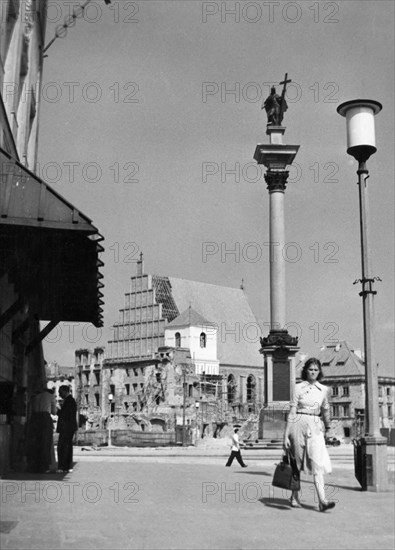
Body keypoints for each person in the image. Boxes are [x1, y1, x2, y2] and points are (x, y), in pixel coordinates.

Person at [283, 358, 335, 511]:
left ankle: (322, 500)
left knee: (317, 463)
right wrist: (286, 435)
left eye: (316, 370)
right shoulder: (297, 387)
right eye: (310, 369)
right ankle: (294, 496)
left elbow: (325, 410)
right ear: (305, 370)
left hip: (316, 426)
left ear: (319, 372)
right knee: (296, 463)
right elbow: (292, 411)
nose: (313, 372)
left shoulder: (324, 390)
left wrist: (328, 427)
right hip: (298, 423)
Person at [26, 387, 56, 473]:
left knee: (35, 443)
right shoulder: (51, 396)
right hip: (45, 419)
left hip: (35, 419)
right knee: (45, 443)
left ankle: (34, 466)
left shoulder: (36, 396)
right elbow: (54, 412)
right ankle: (44, 466)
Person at [56, 385, 77, 473]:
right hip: (70, 427)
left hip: (66, 427)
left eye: (60, 392)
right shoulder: (71, 400)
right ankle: (68, 466)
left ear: (65, 391)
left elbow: (65, 415)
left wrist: (58, 410)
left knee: (62, 447)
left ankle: (62, 466)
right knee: (67, 446)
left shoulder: (69, 401)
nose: (59, 394)